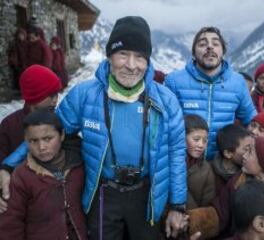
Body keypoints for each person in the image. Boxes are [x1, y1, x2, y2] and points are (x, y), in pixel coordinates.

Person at [0, 16, 187, 240]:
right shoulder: (85, 95)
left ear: (148, 61)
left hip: (147, 195)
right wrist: (9, 166)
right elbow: (47, 131)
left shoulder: (165, 101)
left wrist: (177, 205)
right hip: (103, 194)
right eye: (123, 54)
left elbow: (176, 153)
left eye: (139, 57)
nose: (131, 65)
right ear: (109, 57)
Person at [187, 136, 264, 239]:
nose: (244, 156)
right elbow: (220, 212)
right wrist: (189, 223)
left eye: (250, 152)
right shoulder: (238, 180)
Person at [165, 26, 256, 160]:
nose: (209, 47)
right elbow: (163, 125)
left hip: (222, 164)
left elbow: (252, 121)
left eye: (215, 43)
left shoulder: (238, 83)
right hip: (184, 163)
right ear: (194, 52)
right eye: (202, 44)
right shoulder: (174, 81)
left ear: (222, 51)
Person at [0, 109, 86, 239]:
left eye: (48, 139)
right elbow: (11, 224)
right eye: (33, 141)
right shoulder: (22, 176)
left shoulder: (80, 165)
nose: (41, 147)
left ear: (62, 135)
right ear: (25, 140)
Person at [0, 64, 62, 164]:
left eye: (56, 94)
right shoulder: (10, 125)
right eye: (51, 95)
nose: (55, 100)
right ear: (34, 97)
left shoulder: (59, 120)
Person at [211, 124, 253, 195]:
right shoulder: (209, 173)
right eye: (246, 149)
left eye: (251, 148)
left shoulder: (249, 172)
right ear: (228, 153)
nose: (251, 153)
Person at [184, 114, 215, 210]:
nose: (201, 145)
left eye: (205, 141)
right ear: (182, 137)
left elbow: (207, 203)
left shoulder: (206, 169)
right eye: (196, 139)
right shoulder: (167, 164)